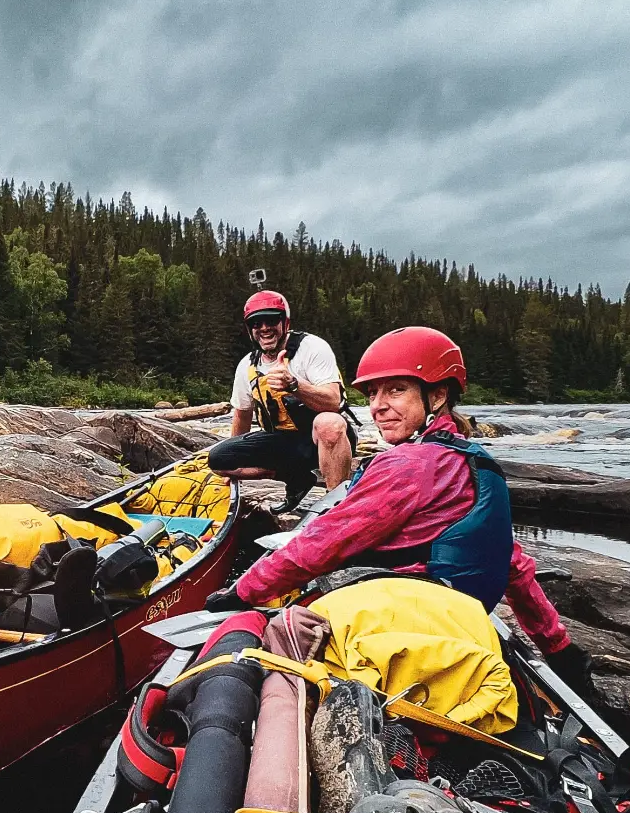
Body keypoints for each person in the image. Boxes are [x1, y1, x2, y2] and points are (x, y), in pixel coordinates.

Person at [211, 325, 590, 685]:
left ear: (437, 396)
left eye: (395, 391)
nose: (377, 407)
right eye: (371, 395)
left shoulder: (409, 464)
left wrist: (243, 591)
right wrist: (558, 646)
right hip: (458, 622)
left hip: (407, 626)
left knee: (255, 637)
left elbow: (324, 542)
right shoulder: (477, 461)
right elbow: (513, 564)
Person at [207, 290, 356, 510]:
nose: (264, 328)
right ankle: (295, 478)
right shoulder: (247, 365)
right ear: (250, 329)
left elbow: (334, 401)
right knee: (219, 460)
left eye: (271, 321)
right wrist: (234, 458)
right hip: (281, 442)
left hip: (319, 440)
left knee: (328, 423)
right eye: (257, 323)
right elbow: (242, 414)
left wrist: (294, 385)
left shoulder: (312, 348)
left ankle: (335, 504)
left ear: (284, 323)